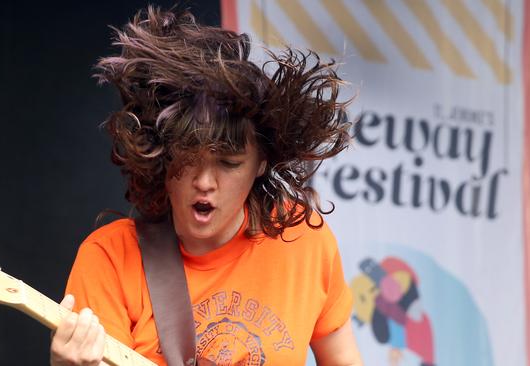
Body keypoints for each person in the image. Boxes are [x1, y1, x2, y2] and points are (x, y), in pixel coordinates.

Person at [50, 6, 362, 366]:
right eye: (188, 159)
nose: (204, 182)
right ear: (161, 155)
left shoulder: (304, 239)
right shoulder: (110, 257)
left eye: (228, 164)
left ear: (262, 163)